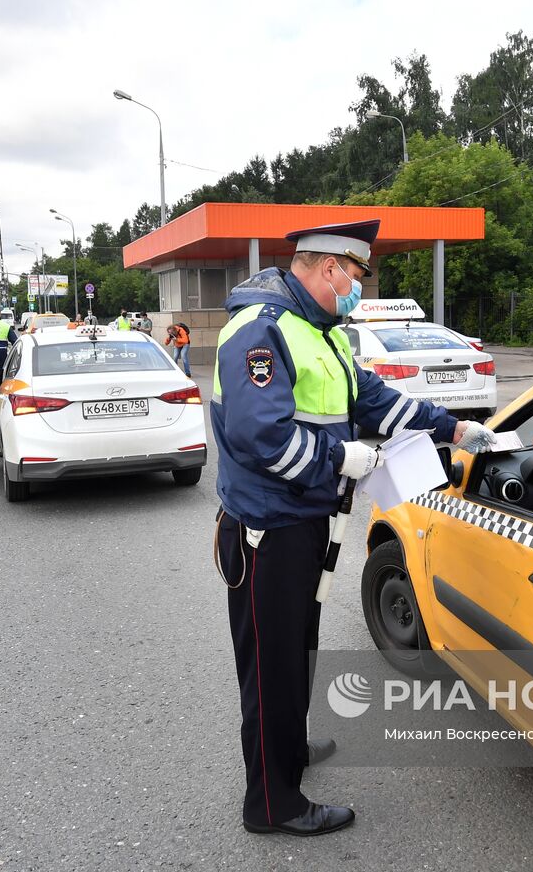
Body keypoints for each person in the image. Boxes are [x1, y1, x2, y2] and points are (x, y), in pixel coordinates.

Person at [212, 219, 496, 837]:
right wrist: (342, 459)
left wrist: (455, 428)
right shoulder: (261, 332)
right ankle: (272, 804)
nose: (359, 289)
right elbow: (261, 437)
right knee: (272, 662)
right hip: (268, 530)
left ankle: (286, 753)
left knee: (298, 649)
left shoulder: (325, 334)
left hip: (305, 520)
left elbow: (372, 400)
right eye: (357, 276)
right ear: (329, 267)